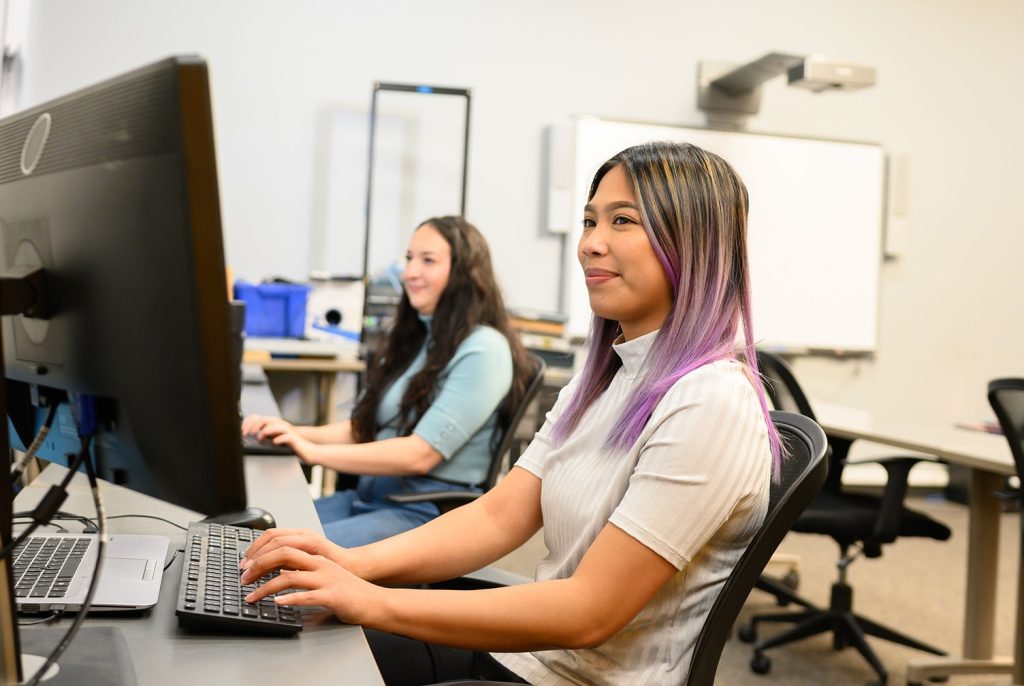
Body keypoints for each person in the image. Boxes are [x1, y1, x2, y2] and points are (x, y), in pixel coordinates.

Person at [239, 141, 783, 685]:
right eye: (589, 221)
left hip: (580, 678)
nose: (591, 244)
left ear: (695, 241)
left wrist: (370, 600)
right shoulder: (605, 381)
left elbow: (589, 611)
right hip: (530, 659)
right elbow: (499, 516)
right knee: (295, 647)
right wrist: (350, 563)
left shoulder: (711, 402)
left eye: (623, 221)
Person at [242, 215, 530, 547]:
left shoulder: (484, 350)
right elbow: (365, 428)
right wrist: (290, 432)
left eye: (428, 260)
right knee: (248, 534)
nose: (410, 272)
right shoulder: (426, 339)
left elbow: (419, 454)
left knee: (274, 553)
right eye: (409, 259)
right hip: (372, 498)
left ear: (465, 272)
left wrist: (313, 452)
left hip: (424, 514)